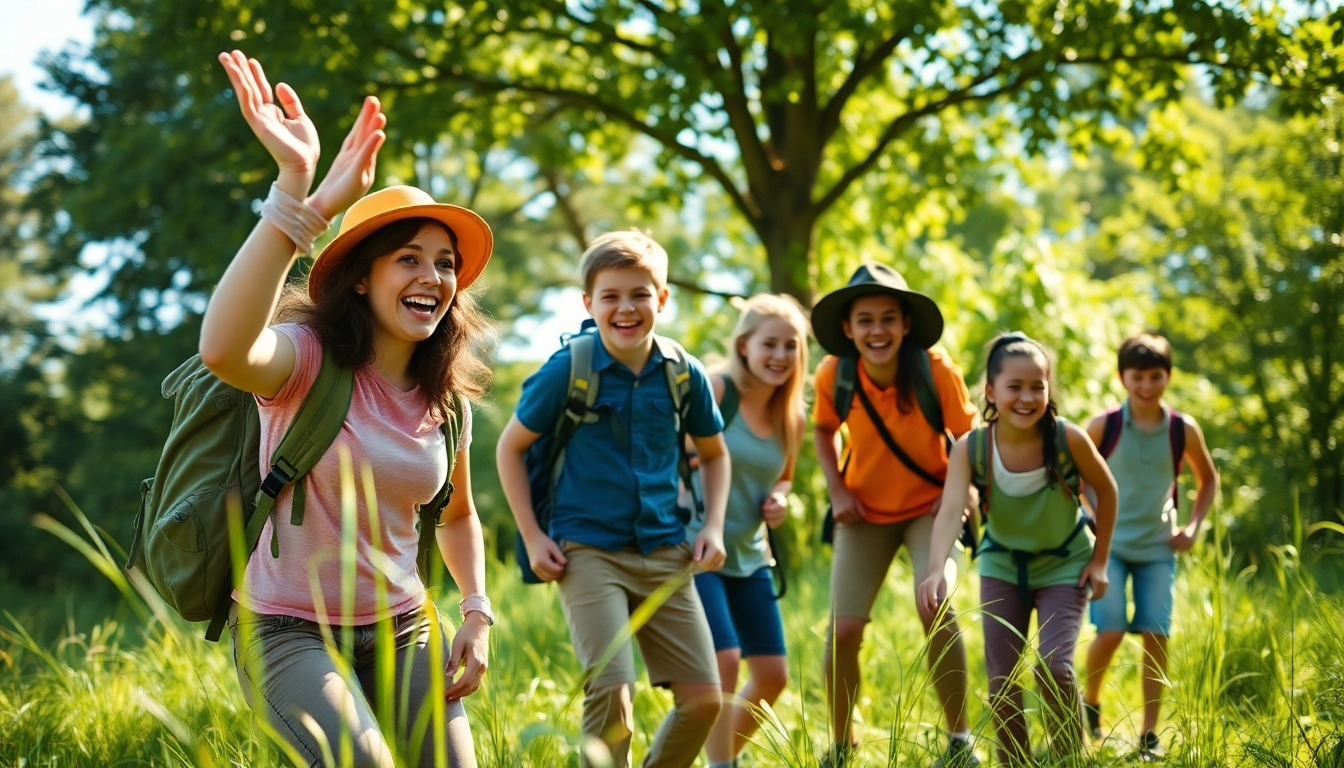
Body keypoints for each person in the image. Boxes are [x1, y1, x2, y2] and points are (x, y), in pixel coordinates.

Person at [202, 51, 494, 768]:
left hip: (402, 628)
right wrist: (299, 195)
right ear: (361, 278)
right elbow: (223, 348)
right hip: (286, 630)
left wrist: (476, 611)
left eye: (445, 262)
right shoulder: (304, 361)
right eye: (409, 258)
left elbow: (456, 514)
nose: (433, 276)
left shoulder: (446, 400)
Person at [495, 230, 730, 768]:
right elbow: (510, 448)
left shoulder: (681, 373)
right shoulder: (568, 369)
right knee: (613, 694)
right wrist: (533, 537)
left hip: (665, 549)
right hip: (588, 552)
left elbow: (715, 455)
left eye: (640, 295)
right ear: (588, 304)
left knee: (704, 700)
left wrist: (711, 526)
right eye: (611, 296)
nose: (626, 308)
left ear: (662, 300)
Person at [918, 333, 1118, 767]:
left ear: (1049, 389)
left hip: (1066, 567)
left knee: (1054, 667)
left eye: (1037, 387)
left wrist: (1100, 561)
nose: (1027, 397)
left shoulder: (1069, 438)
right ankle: (1015, 761)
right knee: (1002, 681)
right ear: (990, 391)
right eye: (1014, 387)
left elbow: (1107, 489)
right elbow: (952, 510)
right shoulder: (970, 447)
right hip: (1002, 566)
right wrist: (936, 569)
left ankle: (1069, 754)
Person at [811, 262, 980, 767]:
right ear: (848, 328)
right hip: (863, 513)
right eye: (865, 320)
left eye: (888, 318)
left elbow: (971, 440)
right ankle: (842, 744)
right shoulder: (834, 374)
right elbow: (822, 431)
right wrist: (837, 491)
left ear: (906, 324)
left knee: (936, 605)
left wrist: (961, 492)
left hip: (930, 507)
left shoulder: (936, 370)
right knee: (842, 630)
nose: (877, 330)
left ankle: (959, 739)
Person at [1081, 333, 1219, 760]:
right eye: (1137, 377)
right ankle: (1090, 700)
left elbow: (1208, 479)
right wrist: (1091, 514)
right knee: (1111, 631)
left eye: (1155, 376)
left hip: (1159, 548)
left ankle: (1149, 735)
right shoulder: (1104, 425)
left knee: (1158, 636)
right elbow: (1075, 477)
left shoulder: (1182, 429)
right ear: (1122, 377)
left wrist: (1194, 525)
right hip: (1109, 548)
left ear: (1168, 376)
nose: (1146, 386)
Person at [687, 294, 809, 768]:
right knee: (725, 662)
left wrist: (781, 498)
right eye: (770, 344)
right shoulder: (717, 392)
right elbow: (671, 455)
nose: (780, 356)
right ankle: (721, 763)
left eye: (791, 346)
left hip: (751, 555)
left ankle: (703, 755)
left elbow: (784, 475)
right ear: (744, 345)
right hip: (699, 548)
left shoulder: (791, 416)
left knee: (773, 675)